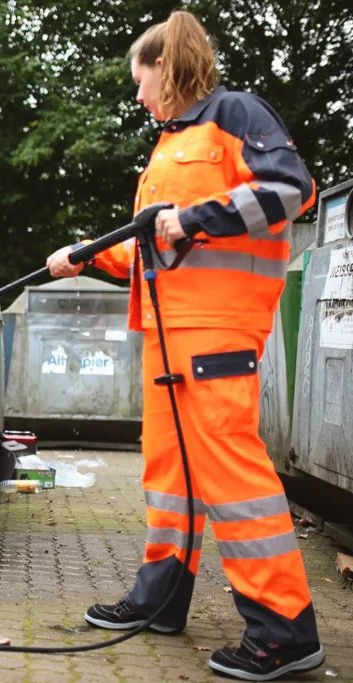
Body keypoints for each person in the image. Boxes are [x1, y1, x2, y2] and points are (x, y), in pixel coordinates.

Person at [46, 10, 324, 681]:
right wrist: (92, 257)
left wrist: (188, 217)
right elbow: (160, 250)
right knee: (170, 477)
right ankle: (161, 598)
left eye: (143, 81)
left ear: (170, 69)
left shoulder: (236, 114)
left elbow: (291, 189)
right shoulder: (169, 144)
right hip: (168, 340)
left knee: (233, 478)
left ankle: (285, 628)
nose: (138, 96)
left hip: (217, 334)